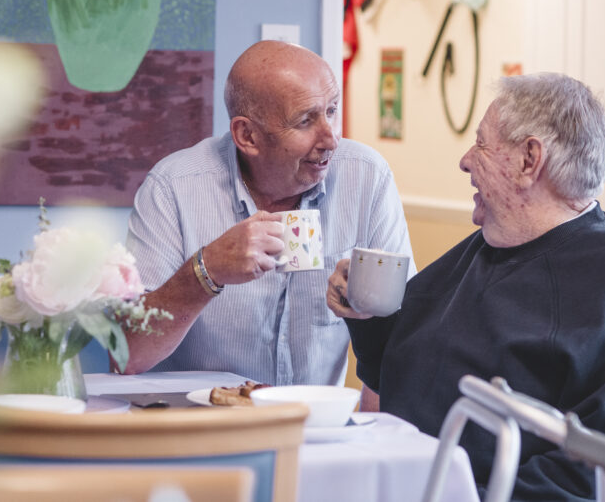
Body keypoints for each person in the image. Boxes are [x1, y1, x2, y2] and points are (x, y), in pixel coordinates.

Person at [328, 72, 605, 501]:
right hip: (404, 481)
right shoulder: (489, 243)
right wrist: (365, 312)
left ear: (530, 159)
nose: (465, 160)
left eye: (480, 143)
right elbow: (394, 365)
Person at [123, 40, 415, 387]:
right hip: (196, 426)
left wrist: (375, 434)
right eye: (306, 120)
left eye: (332, 110)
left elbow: (404, 342)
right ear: (247, 136)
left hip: (312, 429)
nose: (331, 138)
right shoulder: (173, 187)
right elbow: (130, 354)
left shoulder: (367, 177)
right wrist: (207, 270)